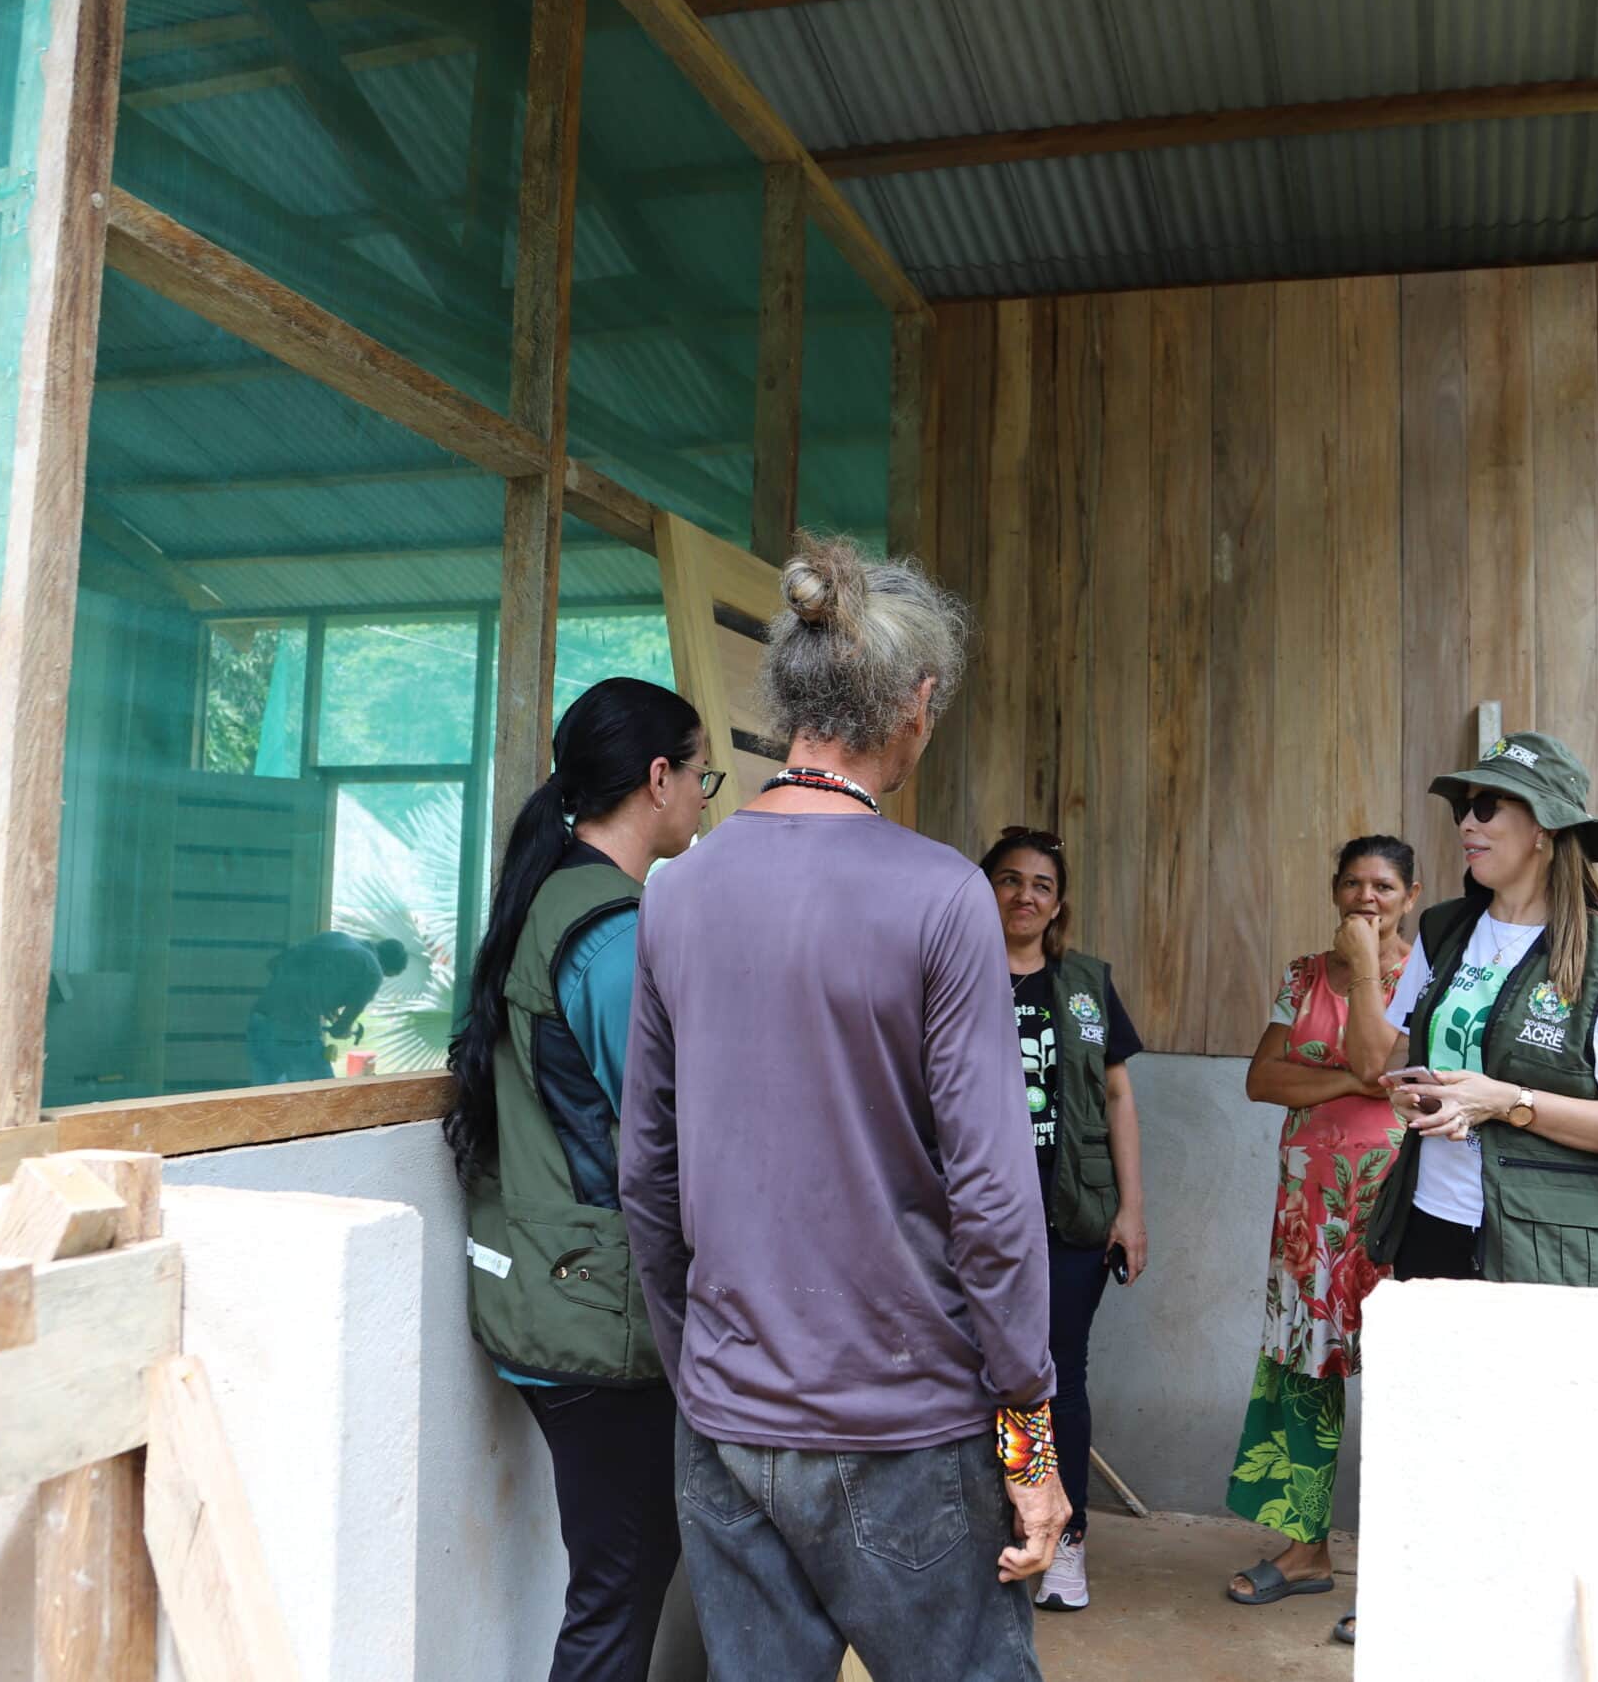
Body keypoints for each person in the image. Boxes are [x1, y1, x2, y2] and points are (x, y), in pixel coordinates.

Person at [618, 540, 1067, 1682]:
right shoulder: (939, 895)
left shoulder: (678, 894)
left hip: (727, 1421)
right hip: (902, 1423)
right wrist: (1029, 1444)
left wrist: (706, 1375)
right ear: (915, 707)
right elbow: (996, 1205)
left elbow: (646, 1179)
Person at [1331, 732, 1598, 1648]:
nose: (1468, 824)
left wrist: (1510, 1100)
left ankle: (1523, 1636)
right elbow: (1377, 1063)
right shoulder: (1447, 927)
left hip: (1540, 1244)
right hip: (1434, 1223)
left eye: (1490, 806)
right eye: (1462, 808)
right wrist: (1377, 987)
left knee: (1529, 1444)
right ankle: (1430, 1619)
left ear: (1546, 828)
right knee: (1431, 1434)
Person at [441, 677, 716, 1682]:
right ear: (657, 779)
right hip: (596, 1316)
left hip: (542, 1289)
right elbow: (670, 1127)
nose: (702, 798)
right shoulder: (612, 931)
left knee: (626, 1569)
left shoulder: (549, 895)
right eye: (700, 777)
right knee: (618, 1588)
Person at [1221, 836, 1420, 1614]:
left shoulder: (1428, 976)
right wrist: (1349, 1079)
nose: (1367, 897)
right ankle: (1307, 1549)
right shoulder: (1304, 974)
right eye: (1354, 883)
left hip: (1398, 1203)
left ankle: (1408, 1562)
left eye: (1384, 885)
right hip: (1310, 1208)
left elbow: (1395, 1061)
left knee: (1405, 1370)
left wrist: (1339, 1077)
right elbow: (1262, 1077)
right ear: (1335, 890)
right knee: (1306, 1369)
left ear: (1411, 894)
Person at [978, 827, 1146, 1614]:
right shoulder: (958, 973)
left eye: (1040, 884)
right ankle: (996, 1527)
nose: (1024, 896)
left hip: (1070, 1209)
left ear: (1058, 902)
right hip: (976, 1212)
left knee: (1055, 1375)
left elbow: (1117, 1095)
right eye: (1009, 880)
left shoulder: (1083, 983)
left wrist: (1131, 1209)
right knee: (984, 1377)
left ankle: (1065, 1541)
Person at [245, 931, 407, 1083]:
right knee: (326, 1097)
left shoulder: (334, 937)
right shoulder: (372, 971)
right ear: (387, 968)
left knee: (264, 1099)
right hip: (295, 1033)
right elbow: (338, 1030)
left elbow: (273, 964)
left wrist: (321, 1003)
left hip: (260, 1020)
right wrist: (345, 1030)